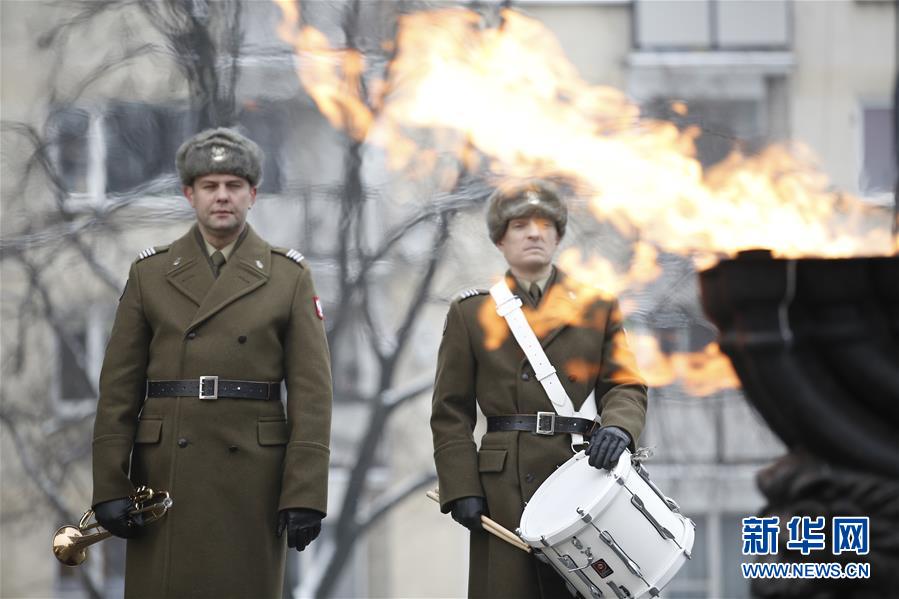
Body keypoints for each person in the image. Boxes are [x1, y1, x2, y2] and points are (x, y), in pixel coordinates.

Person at [90, 128, 332, 598]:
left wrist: (305, 493)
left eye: (234, 186)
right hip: (164, 478)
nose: (222, 196)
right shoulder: (150, 274)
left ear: (253, 195)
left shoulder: (289, 277)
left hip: (252, 478)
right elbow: (118, 389)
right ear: (189, 194)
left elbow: (312, 395)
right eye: (210, 186)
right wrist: (109, 484)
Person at [430, 181, 648, 598]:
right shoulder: (471, 312)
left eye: (545, 224)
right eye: (520, 225)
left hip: (580, 475)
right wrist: (462, 487)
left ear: (558, 235)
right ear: (501, 239)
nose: (534, 233)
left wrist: (619, 429)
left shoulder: (596, 306)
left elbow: (625, 384)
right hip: (503, 489)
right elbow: (450, 412)